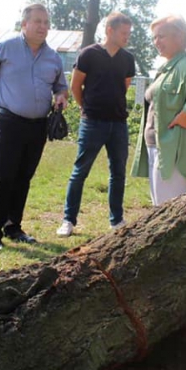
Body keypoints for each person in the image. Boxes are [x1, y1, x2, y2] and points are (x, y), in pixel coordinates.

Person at [0, 3, 69, 251]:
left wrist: (61, 97)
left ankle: (13, 227)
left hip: (38, 124)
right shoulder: (6, 47)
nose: (43, 26)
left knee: (24, 177)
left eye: (46, 22)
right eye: (37, 21)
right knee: (4, 177)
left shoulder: (53, 57)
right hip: (10, 120)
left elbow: (61, 86)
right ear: (24, 24)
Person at [56, 12, 136, 237]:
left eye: (129, 34)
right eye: (123, 33)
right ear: (109, 30)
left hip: (118, 124)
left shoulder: (128, 59)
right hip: (92, 122)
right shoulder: (88, 54)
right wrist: (86, 107)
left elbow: (124, 86)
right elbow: (75, 86)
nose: (126, 37)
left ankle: (117, 220)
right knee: (80, 171)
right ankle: (68, 220)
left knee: (118, 172)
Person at [131, 15, 186, 205]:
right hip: (156, 145)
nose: (156, 42)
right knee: (159, 207)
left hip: (173, 149)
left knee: (166, 208)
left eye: (161, 36)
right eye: (154, 37)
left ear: (179, 37)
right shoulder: (166, 69)